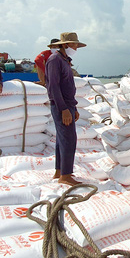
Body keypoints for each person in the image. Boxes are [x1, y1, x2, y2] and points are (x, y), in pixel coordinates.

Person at [46, 32, 86, 185]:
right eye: (73, 44)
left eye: (76, 44)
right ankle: (66, 176)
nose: (75, 47)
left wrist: (73, 107)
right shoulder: (54, 60)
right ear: (64, 45)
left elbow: (67, 86)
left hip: (68, 105)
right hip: (60, 106)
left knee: (62, 140)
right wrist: (64, 109)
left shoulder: (64, 60)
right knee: (69, 139)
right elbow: (54, 87)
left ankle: (59, 171)